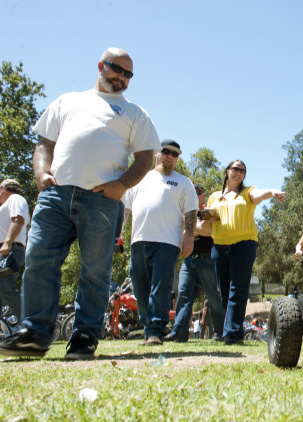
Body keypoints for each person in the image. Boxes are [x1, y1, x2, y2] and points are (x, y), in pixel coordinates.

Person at [0, 47, 160, 360]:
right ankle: (34, 334)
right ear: (101, 66)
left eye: (129, 74)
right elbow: (45, 144)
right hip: (56, 196)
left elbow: (144, 158)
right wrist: (42, 174)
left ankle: (85, 337)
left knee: (95, 272)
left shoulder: (134, 113)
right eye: (117, 69)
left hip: (102, 200)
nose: (123, 78)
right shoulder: (67, 101)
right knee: (38, 261)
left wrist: (121, 185)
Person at [122, 140, 198, 346]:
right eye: (166, 152)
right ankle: (149, 329)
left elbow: (190, 212)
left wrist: (188, 236)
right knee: (140, 289)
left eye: (175, 154)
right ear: (157, 153)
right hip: (138, 241)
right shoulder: (139, 178)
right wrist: (118, 234)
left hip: (167, 243)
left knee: (160, 288)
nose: (170, 157)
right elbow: (125, 209)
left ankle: (156, 330)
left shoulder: (183, 182)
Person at [205, 160, 285, 345]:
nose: (239, 173)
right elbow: (206, 225)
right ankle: (235, 330)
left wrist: (271, 192)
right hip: (219, 246)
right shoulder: (214, 197)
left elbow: (259, 194)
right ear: (227, 171)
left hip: (244, 244)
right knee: (224, 293)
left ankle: (231, 334)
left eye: (243, 170)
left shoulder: (247, 193)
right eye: (235, 169)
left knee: (237, 289)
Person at [165, 184, 225, 343]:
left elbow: (210, 231)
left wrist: (191, 229)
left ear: (204, 195)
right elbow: (181, 234)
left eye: (198, 193)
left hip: (207, 259)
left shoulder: (209, 210)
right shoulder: (187, 213)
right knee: (183, 296)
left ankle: (220, 332)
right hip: (189, 259)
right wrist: (196, 228)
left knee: (213, 298)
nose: (195, 195)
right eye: (193, 192)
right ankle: (179, 332)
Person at [0, 179, 31, 323]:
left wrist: (7, 244)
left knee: (6, 289)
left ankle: (32, 326)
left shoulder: (15, 198)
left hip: (10, 249)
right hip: (7, 248)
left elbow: (18, 220)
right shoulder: (7, 204)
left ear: (5, 188)